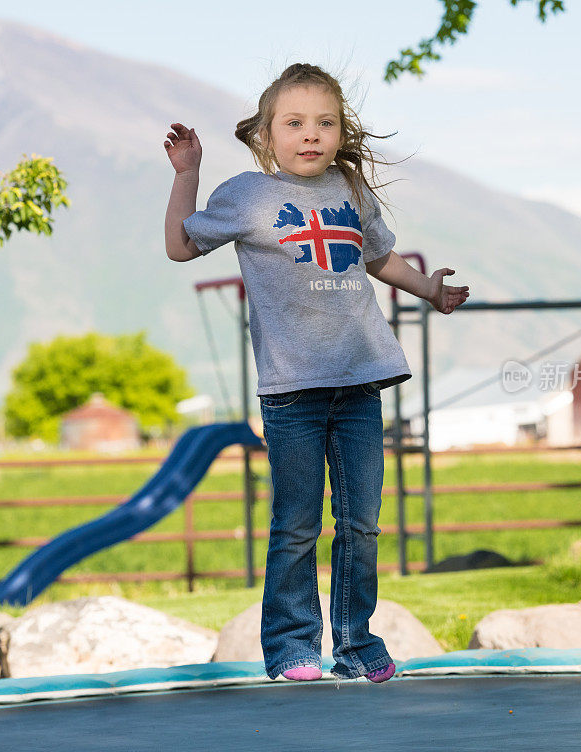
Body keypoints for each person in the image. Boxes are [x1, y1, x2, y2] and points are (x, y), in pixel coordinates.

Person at [163, 63, 469, 683]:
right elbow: (180, 245)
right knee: (298, 521)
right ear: (267, 135)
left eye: (325, 123)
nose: (311, 135)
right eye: (295, 123)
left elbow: (379, 258)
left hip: (360, 380)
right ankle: (293, 646)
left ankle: (356, 644)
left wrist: (428, 290)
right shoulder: (248, 195)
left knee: (361, 520)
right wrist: (188, 175)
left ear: (340, 131)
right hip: (292, 391)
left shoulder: (352, 192)